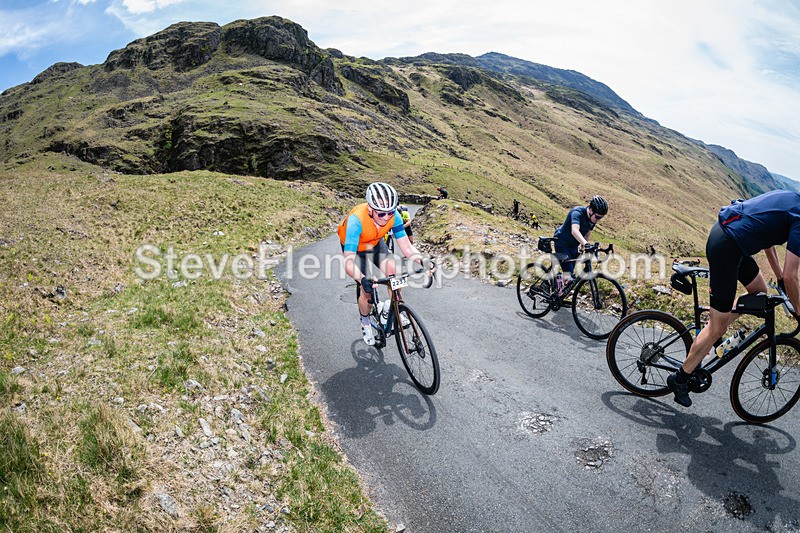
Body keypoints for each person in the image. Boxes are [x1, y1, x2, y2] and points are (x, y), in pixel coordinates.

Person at [668, 190, 800, 407]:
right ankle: (680, 379)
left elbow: (768, 243)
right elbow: (792, 275)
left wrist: (778, 278)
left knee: (759, 291)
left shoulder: (791, 201)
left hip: (733, 240)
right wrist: (798, 310)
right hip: (727, 246)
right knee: (717, 329)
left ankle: (716, 324)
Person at [338, 182, 428, 346]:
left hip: (374, 242)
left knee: (394, 269)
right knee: (367, 291)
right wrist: (362, 279)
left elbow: (407, 247)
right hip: (355, 247)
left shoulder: (394, 216)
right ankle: (365, 321)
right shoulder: (356, 220)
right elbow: (348, 262)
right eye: (381, 214)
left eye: (390, 213)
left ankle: (394, 307)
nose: (386, 218)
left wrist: (424, 261)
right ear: (370, 209)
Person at [552, 195, 608, 289]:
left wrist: (584, 246)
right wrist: (585, 244)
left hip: (573, 245)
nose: (598, 220)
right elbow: (574, 230)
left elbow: (588, 232)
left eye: (600, 218)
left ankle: (557, 286)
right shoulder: (577, 212)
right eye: (597, 217)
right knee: (569, 275)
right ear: (590, 210)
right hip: (562, 242)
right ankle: (550, 283)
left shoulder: (592, 219)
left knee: (570, 272)